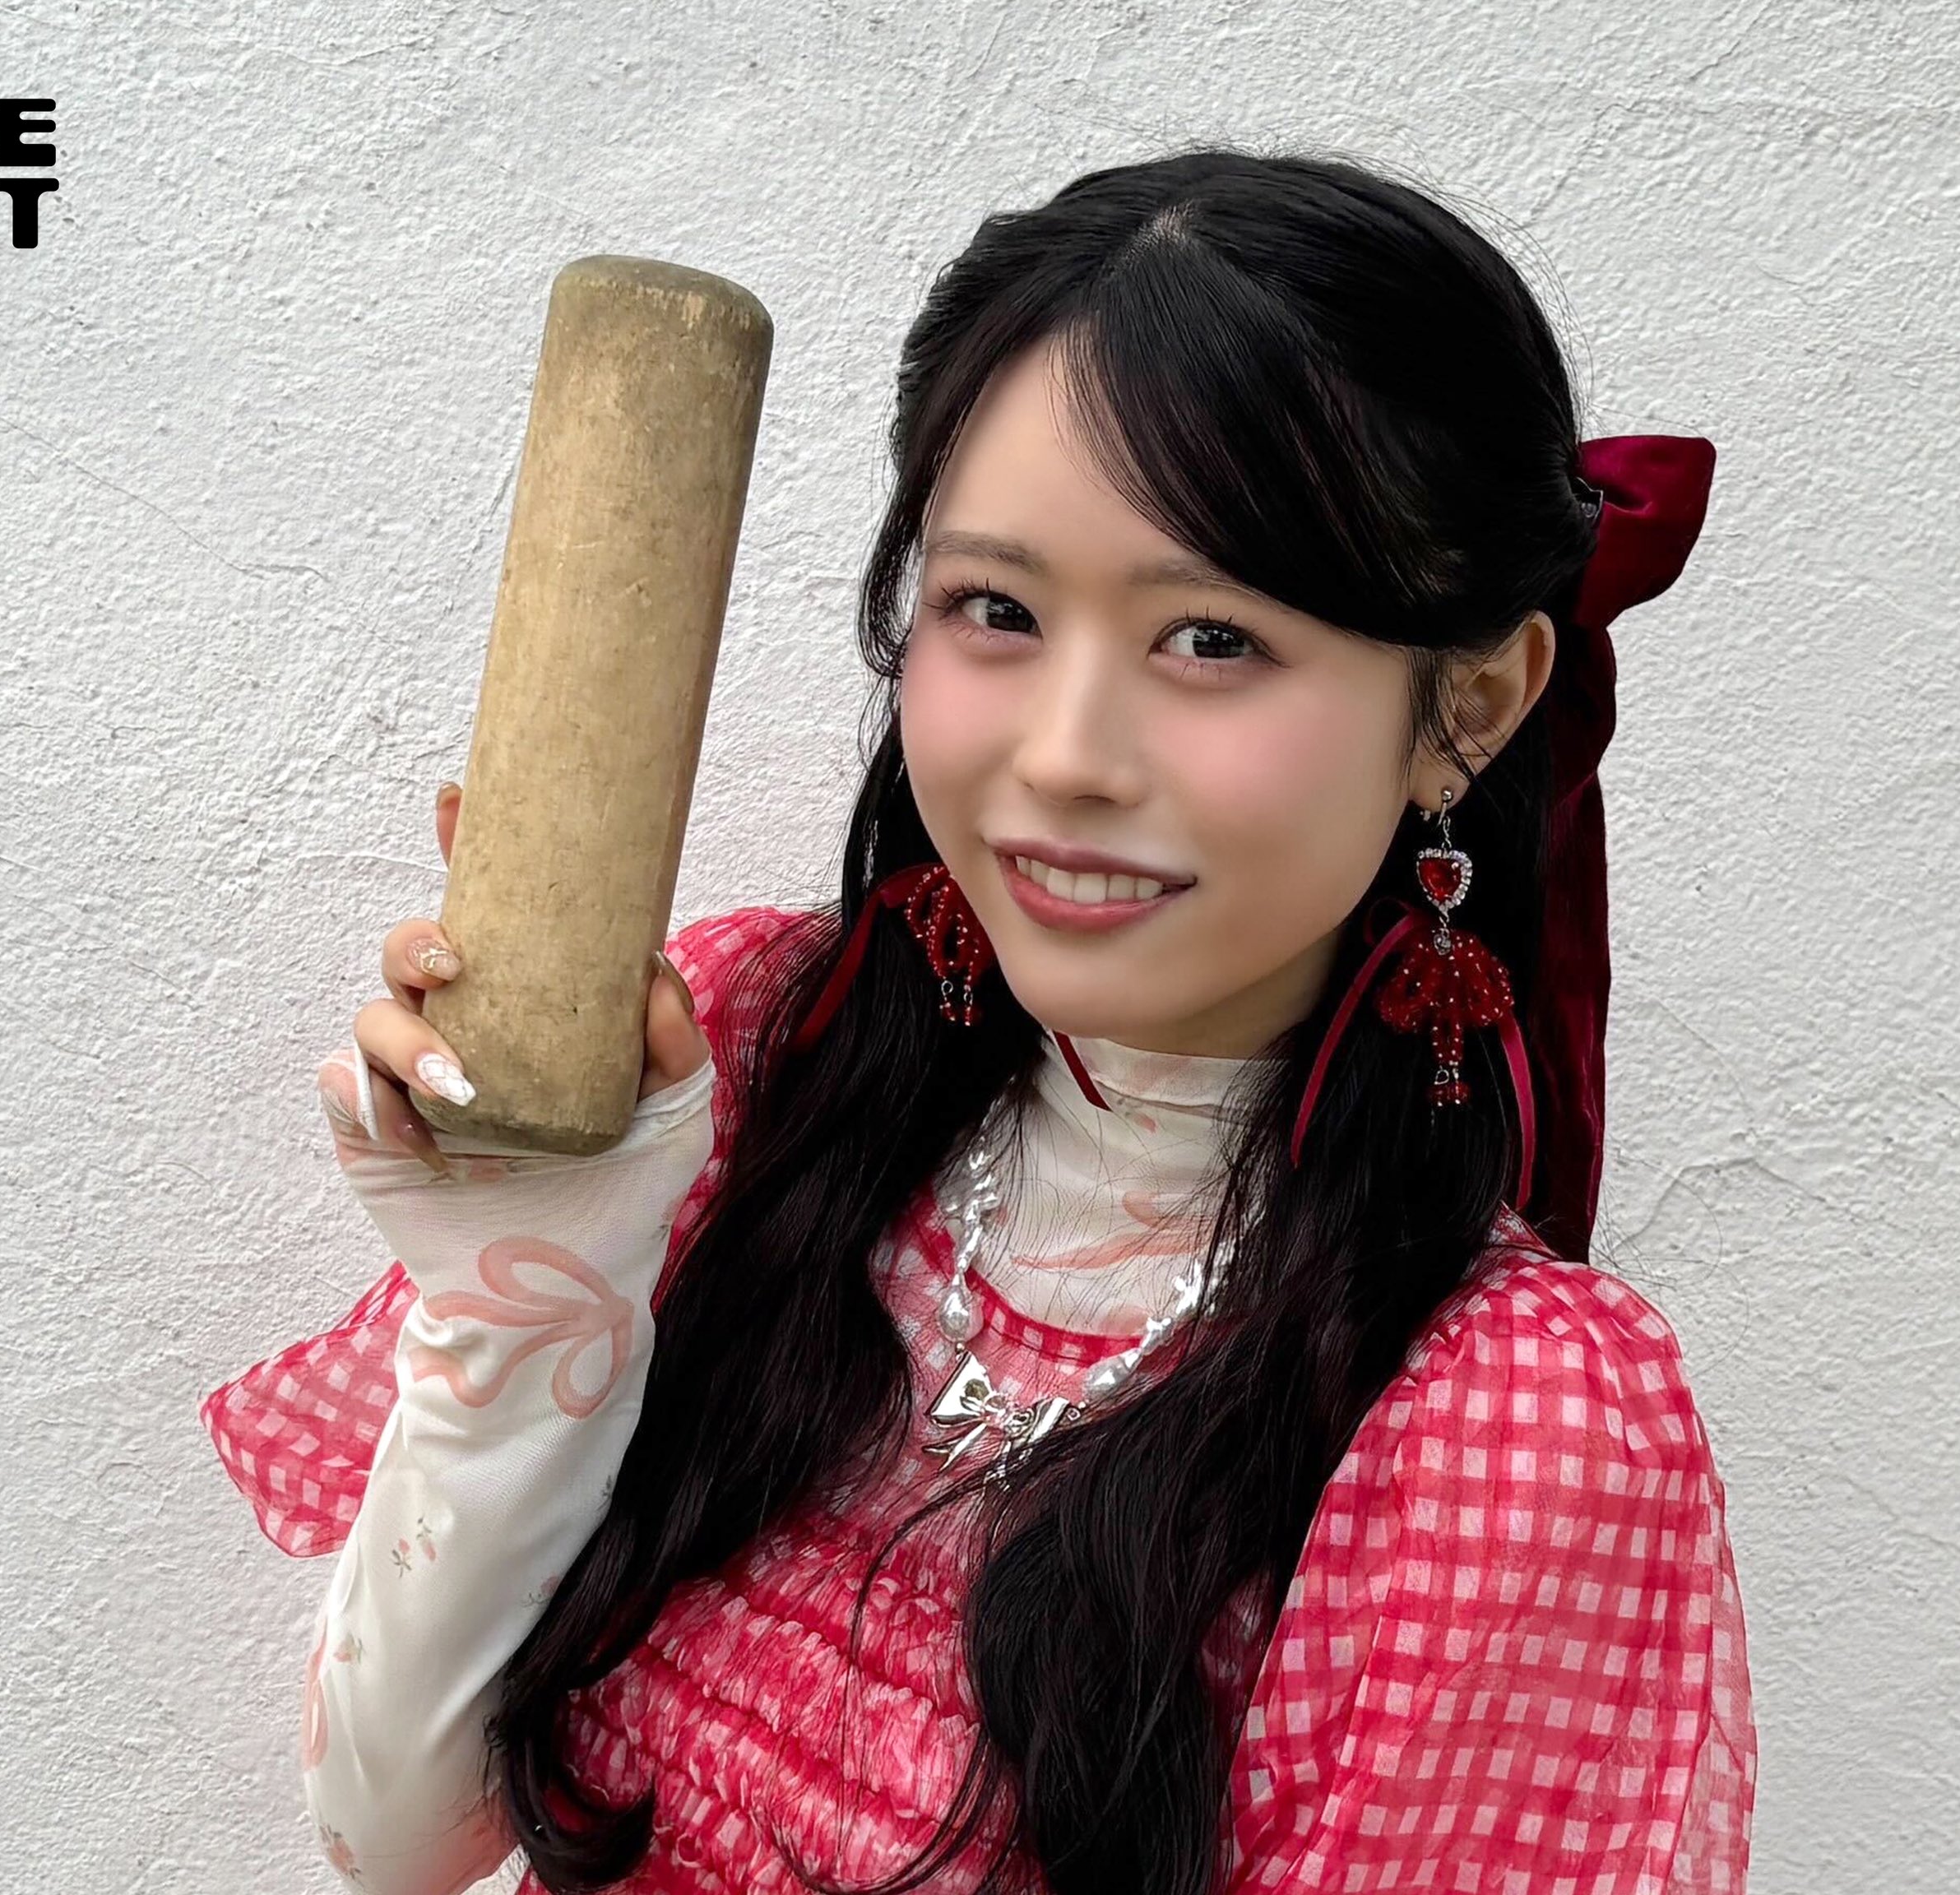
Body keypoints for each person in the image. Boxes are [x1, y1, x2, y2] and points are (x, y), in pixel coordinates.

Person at [201, 145, 1754, 1895]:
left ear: (1467, 704)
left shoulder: (1514, 1424)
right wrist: (530, 1292)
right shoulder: (755, 1061)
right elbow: (399, 1836)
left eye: (1212, 640)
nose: (1065, 755)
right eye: (995, 610)